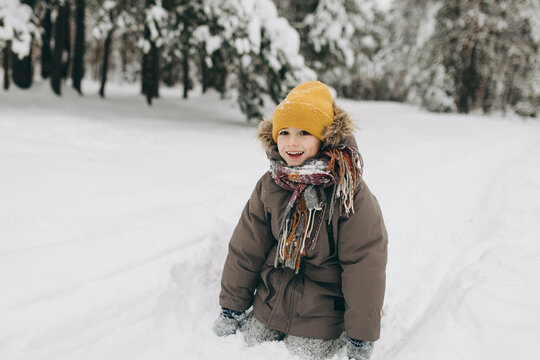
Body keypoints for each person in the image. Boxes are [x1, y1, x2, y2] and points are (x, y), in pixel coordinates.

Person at [213, 80, 388, 360]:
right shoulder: (270, 185)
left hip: (322, 308)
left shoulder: (347, 191)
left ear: (324, 137)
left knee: (300, 354)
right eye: (284, 132)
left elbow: (364, 264)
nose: (292, 142)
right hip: (269, 301)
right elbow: (247, 248)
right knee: (252, 345)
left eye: (304, 132)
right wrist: (231, 307)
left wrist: (361, 334)